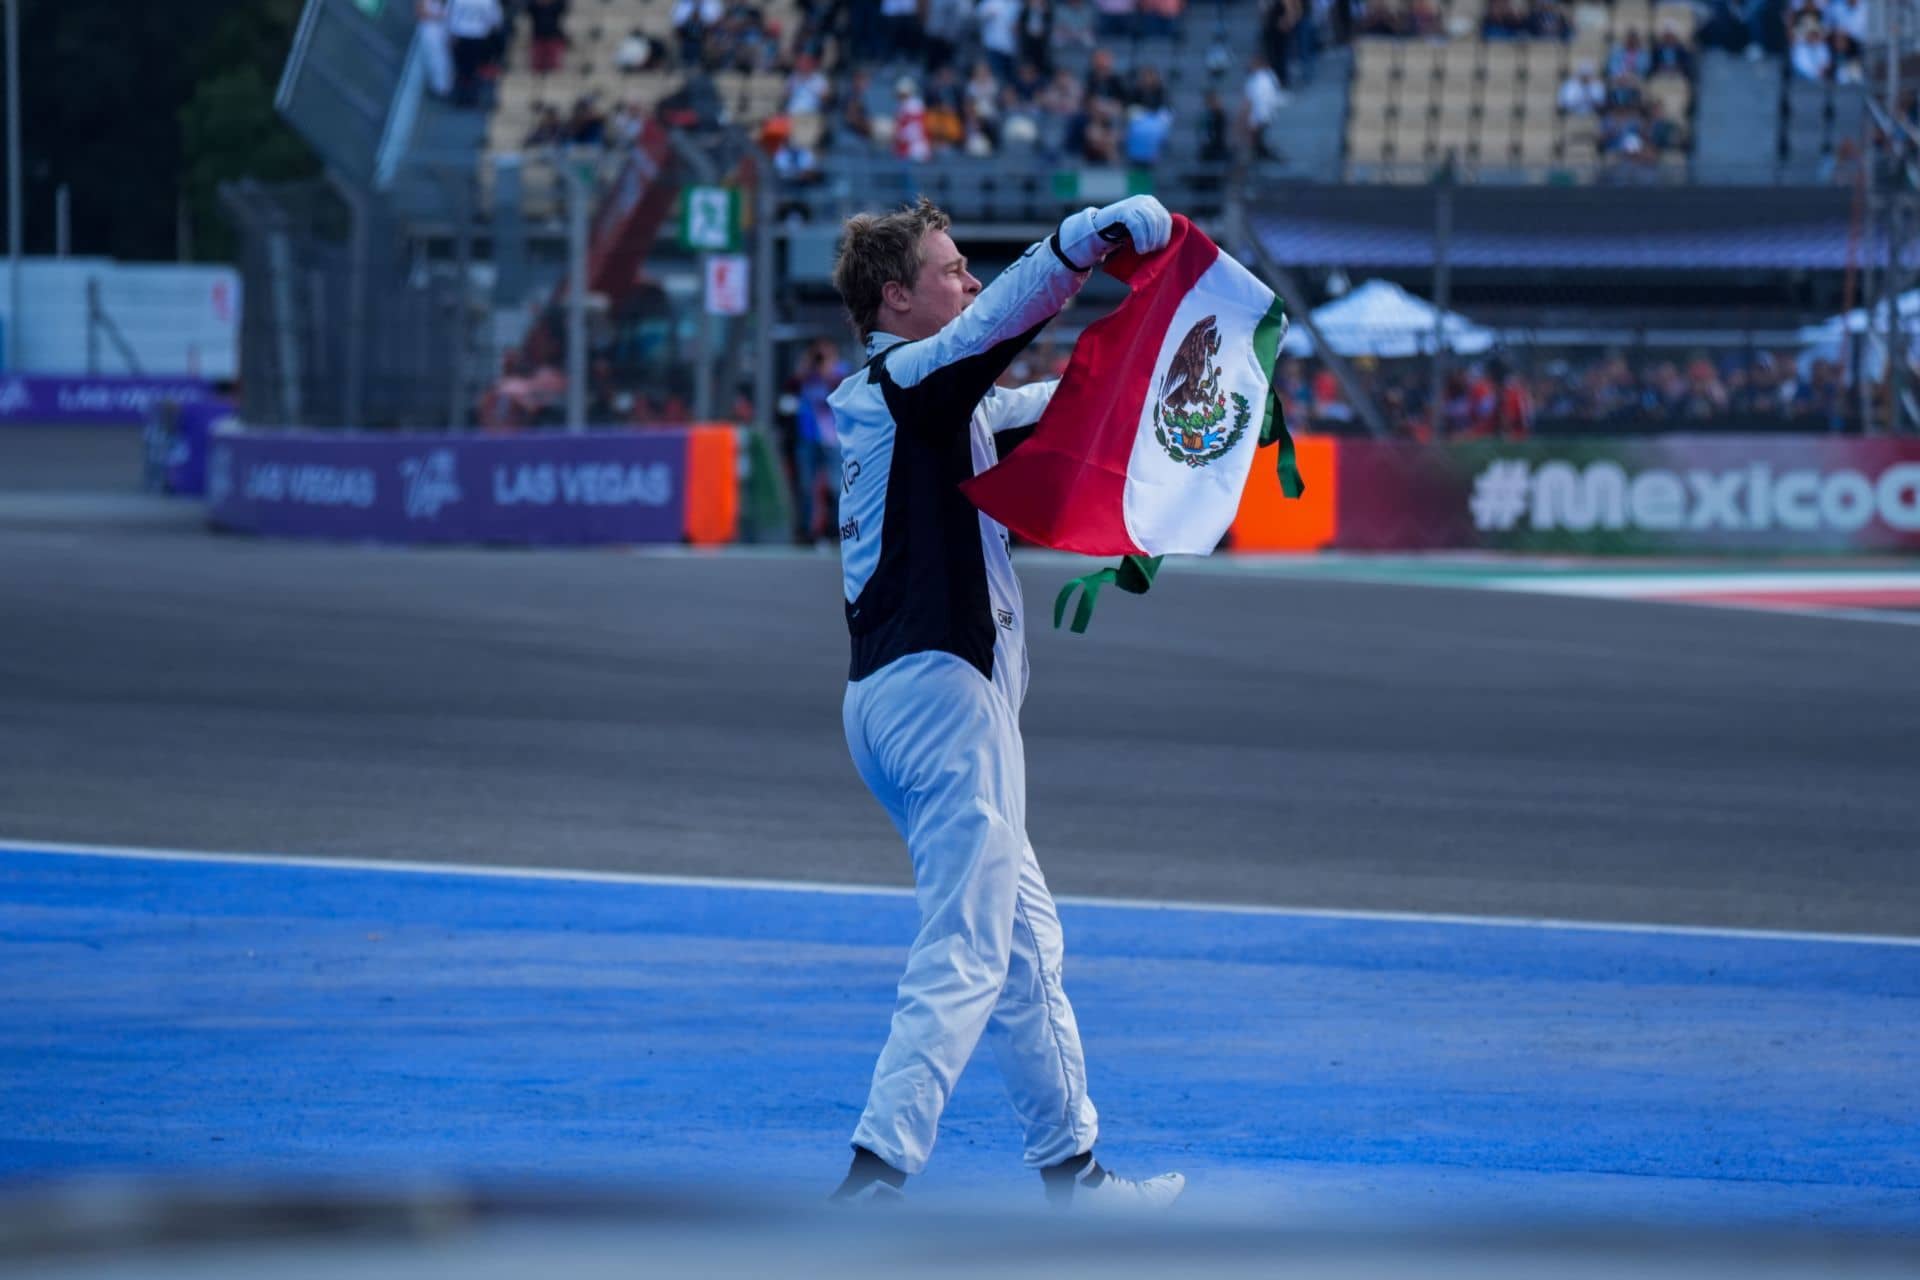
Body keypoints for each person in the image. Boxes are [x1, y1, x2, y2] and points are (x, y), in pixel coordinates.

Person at [824, 194, 1186, 1209]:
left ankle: (1074, 1176)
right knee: (971, 943)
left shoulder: (917, 397)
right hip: (942, 701)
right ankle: (875, 1178)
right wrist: (1080, 242)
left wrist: (1171, 362)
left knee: (1026, 951)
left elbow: (1045, 400)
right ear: (896, 297)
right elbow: (994, 337)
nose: (971, 282)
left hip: (905, 699)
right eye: (951, 268)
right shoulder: (907, 380)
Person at [446, 0, 504, 107]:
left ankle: (462, 97)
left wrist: (451, 34)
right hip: (480, 36)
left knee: (463, 68)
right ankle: (473, 96)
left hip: (462, 36)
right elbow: (495, 19)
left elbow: (451, 17)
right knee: (476, 67)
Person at [418, 0, 454, 98]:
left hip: (442, 28)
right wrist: (440, 15)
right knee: (435, 59)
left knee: (446, 57)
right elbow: (422, 12)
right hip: (431, 29)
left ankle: (446, 86)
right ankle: (439, 88)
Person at [527, 0, 569, 74]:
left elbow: (563, 7)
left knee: (554, 65)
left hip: (553, 36)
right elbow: (529, 8)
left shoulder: (557, 6)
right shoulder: (534, 6)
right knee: (537, 65)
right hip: (538, 36)